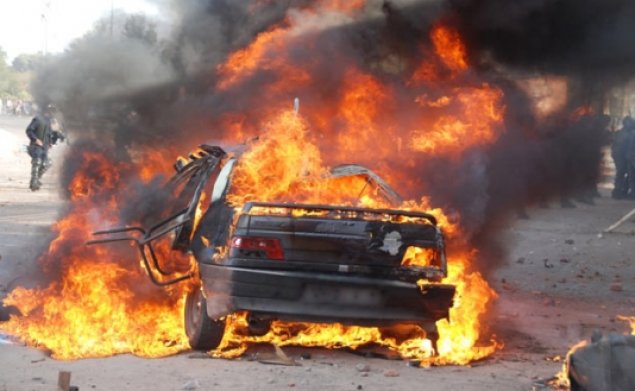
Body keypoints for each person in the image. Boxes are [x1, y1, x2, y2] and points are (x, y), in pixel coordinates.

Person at [25, 104, 65, 191]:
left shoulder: (50, 122)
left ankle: (36, 180)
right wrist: (36, 140)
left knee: (47, 164)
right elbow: (29, 130)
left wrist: (53, 141)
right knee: (37, 163)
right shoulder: (38, 119)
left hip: (45, 147)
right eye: (51, 111)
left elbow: (52, 134)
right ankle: (34, 184)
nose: (52, 113)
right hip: (36, 146)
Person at [611, 116, 635, 199]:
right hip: (622, 157)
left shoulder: (626, 133)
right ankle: (618, 191)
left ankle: (623, 191)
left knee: (628, 175)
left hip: (625, 157)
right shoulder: (623, 134)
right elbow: (617, 147)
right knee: (622, 174)